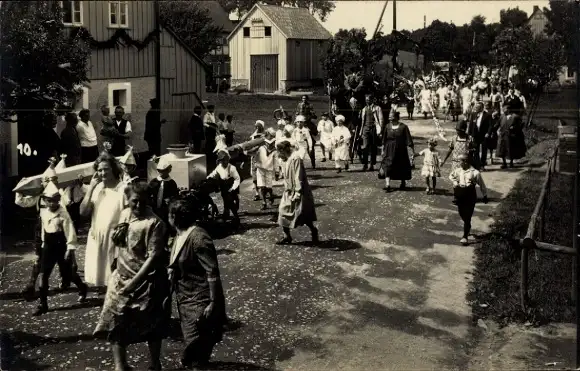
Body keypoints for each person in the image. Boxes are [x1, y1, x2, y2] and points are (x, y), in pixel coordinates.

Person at [94, 181, 170, 371]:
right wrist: (115, 266)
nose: (138, 206)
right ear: (128, 200)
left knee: (151, 325)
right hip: (121, 278)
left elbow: (153, 258)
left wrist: (133, 284)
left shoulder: (154, 223)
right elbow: (120, 243)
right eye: (134, 201)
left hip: (146, 282)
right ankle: (121, 365)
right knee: (116, 320)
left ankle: (154, 364)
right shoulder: (125, 214)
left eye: (143, 202)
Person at [167, 198, 228, 370]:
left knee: (196, 346)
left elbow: (212, 272)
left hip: (200, 301)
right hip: (185, 299)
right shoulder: (179, 235)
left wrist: (213, 302)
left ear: (174, 217)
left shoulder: (198, 238)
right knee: (195, 348)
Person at [14, 161, 74, 298]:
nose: (49, 182)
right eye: (47, 180)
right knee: (39, 258)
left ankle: (66, 279)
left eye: (52, 179)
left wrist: (69, 189)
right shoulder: (39, 196)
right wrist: (19, 189)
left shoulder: (60, 194)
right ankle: (32, 285)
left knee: (62, 259)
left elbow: (68, 203)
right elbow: (22, 202)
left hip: (59, 229)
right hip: (42, 229)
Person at [32, 181, 88, 316]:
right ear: (45, 200)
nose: (52, 203)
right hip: (49, 246)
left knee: (67, 272)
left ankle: (82, 287)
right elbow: (43, 231)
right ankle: (43, 303)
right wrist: (40, 248)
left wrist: (70, 248)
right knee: (44, 274)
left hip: (61, 245)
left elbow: (70, 231)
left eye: (55, 200)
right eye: (49, 201)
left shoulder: (63, 213)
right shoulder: (44, 213)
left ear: (59, 200)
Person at [80, 152, 127, 287]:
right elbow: (83, 212)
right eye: (99, 170)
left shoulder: (123, 189)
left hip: (114, 241)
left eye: (106, 169)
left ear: (113, 169)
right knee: (101, 279)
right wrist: (90, 189)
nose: (102, 173)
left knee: (115, 279)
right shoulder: (97, 188)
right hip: (97, 238)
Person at [275, 140, 319, 245]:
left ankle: (314, 231)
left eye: (279, 151)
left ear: (284, 150)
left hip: (299, 190)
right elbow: (285, 173)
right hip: (288, 190)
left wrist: (297, 192)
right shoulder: (284, 159)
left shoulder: (296, 158)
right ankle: (287, 236)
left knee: (303, 214)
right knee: (282, 211)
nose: (278, 153)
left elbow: (298, 176)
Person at [449, 154, 489, 246]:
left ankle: (465, 236)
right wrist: (455, 181)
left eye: (460, 161)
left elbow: (482, 185)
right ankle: (468, 225)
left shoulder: (475, 172)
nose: (459, 163)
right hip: (460, 196)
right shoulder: (458, 171)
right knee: (461, 213)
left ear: (465, 161)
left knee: (468, 216)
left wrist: (485, 196)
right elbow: (451, 176)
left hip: (470, 195)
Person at [380, 111, 415, 192]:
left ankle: (403, 183)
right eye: (389, 117)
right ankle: (387, 184)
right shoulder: (387, 126)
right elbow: (384, 140)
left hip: (401, 150)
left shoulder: (404, 127)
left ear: (396, 117)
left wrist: (412, 152)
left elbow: (409, 140)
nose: (390, 118)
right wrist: (382, 150)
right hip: (389, 150)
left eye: (391, 117)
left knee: (401, 165)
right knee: (387, 165)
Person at [207, 150, 241, 225]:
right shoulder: (219, 167)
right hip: (224, 185)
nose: (224, 162)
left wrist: (233, 188)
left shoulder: (232, 168)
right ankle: (227, 214)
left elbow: (237, 179)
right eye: (222, 160)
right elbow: (213, 173)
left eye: (226, 160)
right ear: (220, 161)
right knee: (225, 199)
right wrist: (208, 177)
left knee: (230, 201)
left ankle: (235, 216)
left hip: (231, 185)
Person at [148, 158, 179, 224]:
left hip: (165, 211)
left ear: (168, 170)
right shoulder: (154, 181)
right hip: (154, 210)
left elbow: (175, 197)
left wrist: (170, 200)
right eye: (159, 171)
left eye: (163, 171)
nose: (161, 173)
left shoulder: (172, 183)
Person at [496, 102, 526, 169]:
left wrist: (515, 128)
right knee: (502, 150)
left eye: (505, 109)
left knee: (511, 149)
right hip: (503, 135)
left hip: (511, 136)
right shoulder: (502, 116)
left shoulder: (515, 117)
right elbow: (497, 124)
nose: (503, 110)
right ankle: (504, 163)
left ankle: (511, 163)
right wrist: (496, 130)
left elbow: (521, 125)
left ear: (509, 110)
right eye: (503, 109)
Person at [358, 94, 383, 172]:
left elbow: (381, 120)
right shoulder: (364, 109)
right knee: (365, 147)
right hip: (365, 128)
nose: (367, 101)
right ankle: (365, 164)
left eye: (368, 99)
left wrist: (380, 130)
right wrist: (361, 132)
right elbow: (362, 121)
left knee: (373, 147)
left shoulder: (377, 108)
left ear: (372, 100)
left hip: (374, 129)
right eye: (366, 99)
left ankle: (371, 164)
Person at [255, 128, 277, 209]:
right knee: (261, 187)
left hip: (269, 170)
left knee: (268, 187)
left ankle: (271, 195)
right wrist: (255, 163)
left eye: (271, 143)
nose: (270, 145)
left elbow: (276, 161)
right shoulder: (261, 149)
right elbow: (255, 156)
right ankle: (264, 202)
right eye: (268, 143)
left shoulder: (274, 151)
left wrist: (277, 171)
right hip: (260, 170)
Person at [468, 102, 492, 170]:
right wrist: (470, 134)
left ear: (481, 108)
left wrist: (488, 133)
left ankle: (483, 164)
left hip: (484, 135)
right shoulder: (473, 114)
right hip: (475, 135)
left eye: (477, 107)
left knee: (484, 150)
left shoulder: (487, 115)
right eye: (475, 107)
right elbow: (471, 124)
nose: (475, 108)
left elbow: (490, 125)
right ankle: (477, 164)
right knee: (476, 150)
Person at [248, 120, 266, 200]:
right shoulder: (253, 135)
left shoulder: (265, 136)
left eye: (259, 126)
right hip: (254, 158)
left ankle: (264, 192)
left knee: (262, 176)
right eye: (256, 126)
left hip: (262, 158)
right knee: (254, 177)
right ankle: (256, 193)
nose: (257, 127)